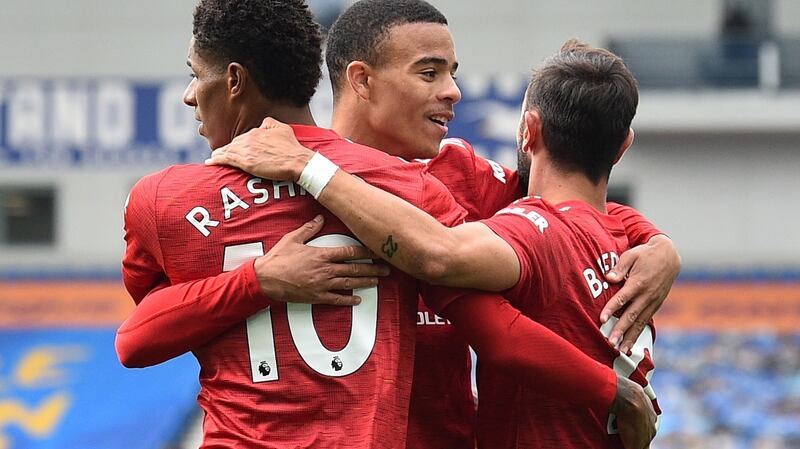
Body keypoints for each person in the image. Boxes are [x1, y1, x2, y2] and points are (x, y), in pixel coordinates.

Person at [118, 1, 655, 448]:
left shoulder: (172, 198)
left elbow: (568, 208)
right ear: (362, 80)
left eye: (452, 73)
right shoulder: (427, 191)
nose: (453, 91)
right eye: (430, 72)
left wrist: (652, 240)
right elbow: (494, 301)